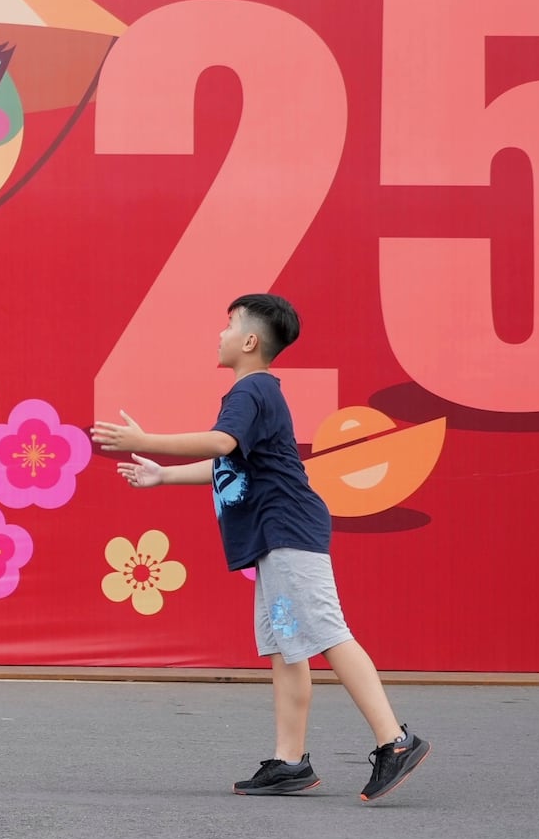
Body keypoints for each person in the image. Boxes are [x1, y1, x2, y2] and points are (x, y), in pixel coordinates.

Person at [91, 294, 430, 802]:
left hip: (289, 533)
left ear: (250, 341)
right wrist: (163, 476)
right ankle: (290, 763)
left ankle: (395, 741)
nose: (220, 335)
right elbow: (230, 464)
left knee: (329, 633)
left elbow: (221, 445)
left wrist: (147, 437)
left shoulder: (249, 391)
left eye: (228, 326)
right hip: (275, 541)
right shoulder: (255, 394)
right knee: (287, 645)